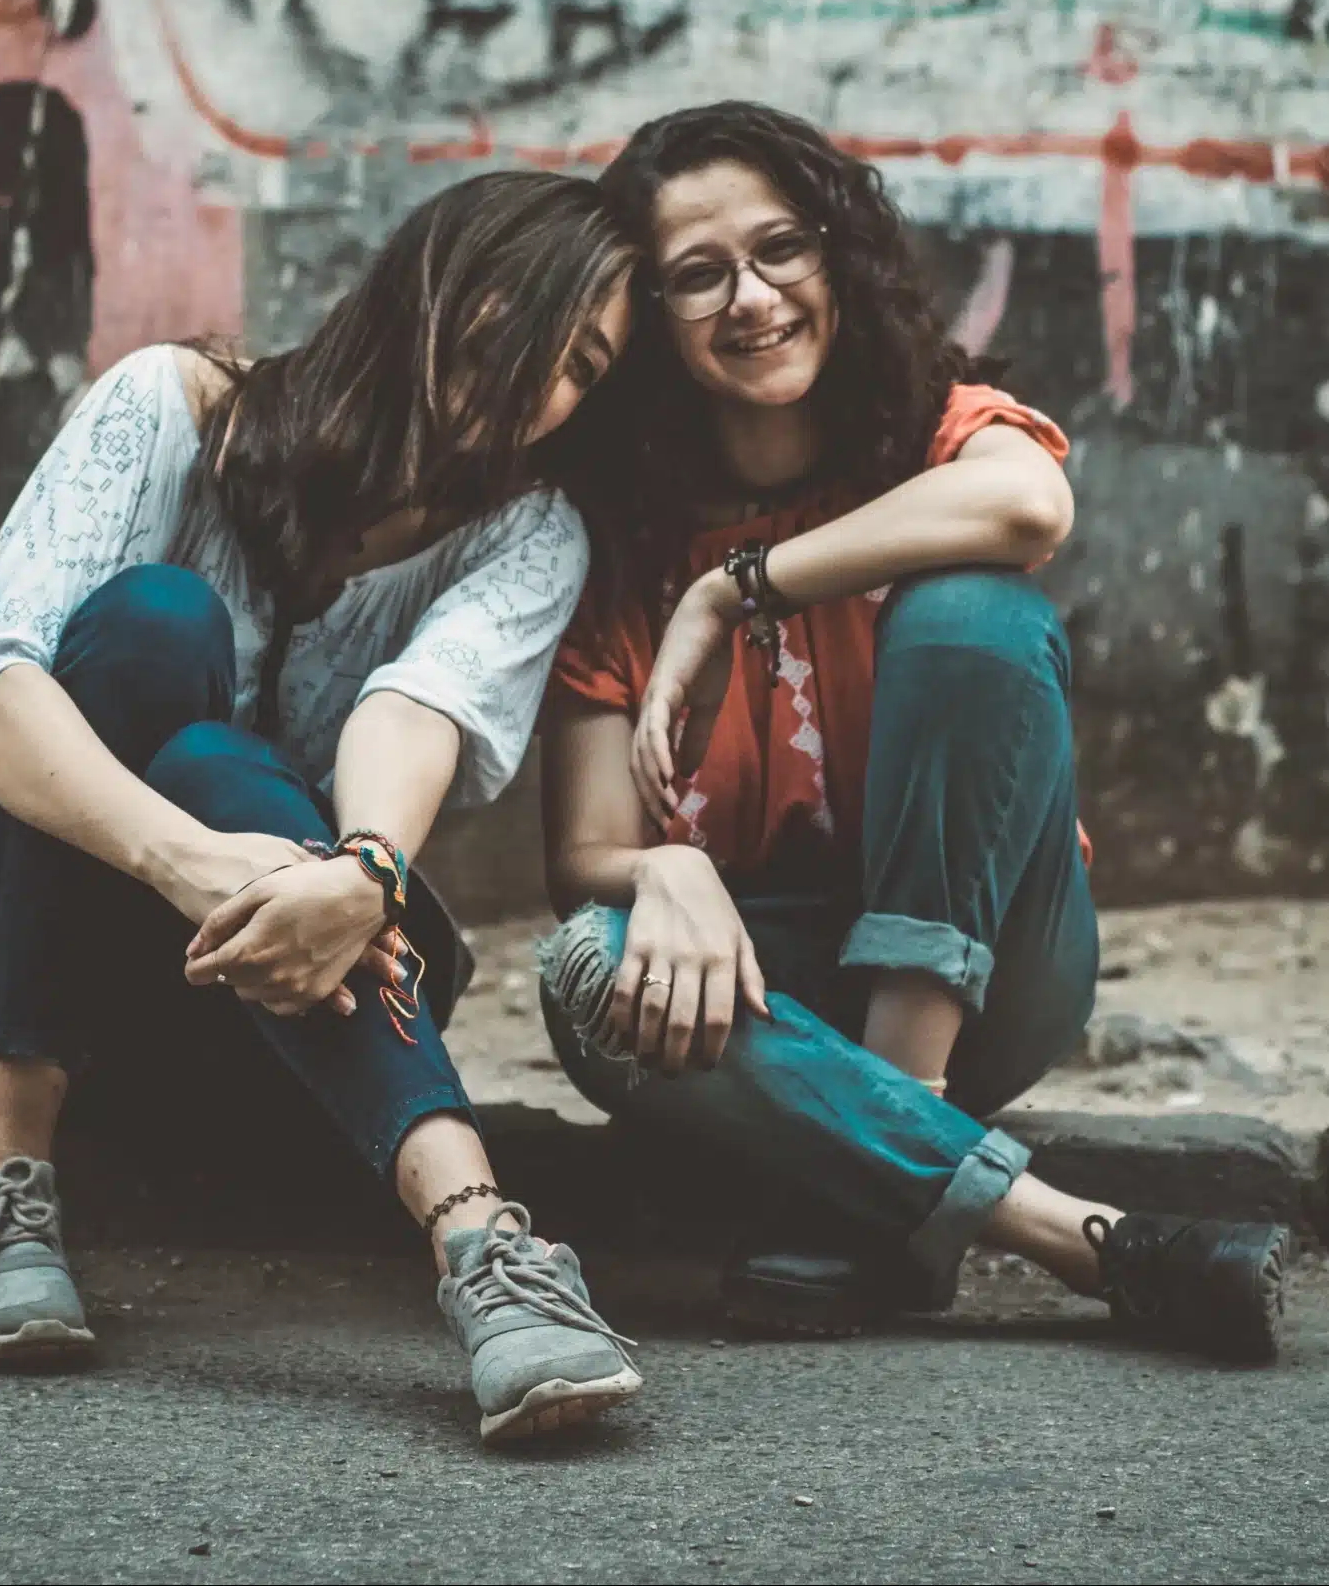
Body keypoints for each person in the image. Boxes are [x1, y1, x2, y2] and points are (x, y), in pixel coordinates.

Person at [537, 102, 1289, 1362]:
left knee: (974, 611)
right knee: (581, 968)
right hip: (765, 996)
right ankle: (1061, 1232)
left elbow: (1026, 501)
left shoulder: (930, 433)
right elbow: (581, 857)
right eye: (697, 274)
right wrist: (660, 867)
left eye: (782, 248)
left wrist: (735, 588)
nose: (753, 298)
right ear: (649, 317)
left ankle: (892, 1119)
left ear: (835, 252)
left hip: (994, 963)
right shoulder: (615, 541)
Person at [0, 170, 644, 1444]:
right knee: (156, 627)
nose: (539, 371)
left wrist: (358, 870)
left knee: (218, 758)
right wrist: (185, 858)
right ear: (433, 275)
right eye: (521, 312)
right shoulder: (170, 407)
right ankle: (0, 1173)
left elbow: (414, 710)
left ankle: (485, 1246)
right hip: (27, 970)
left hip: (307, 998)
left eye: (582, 359)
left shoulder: (531, 532)